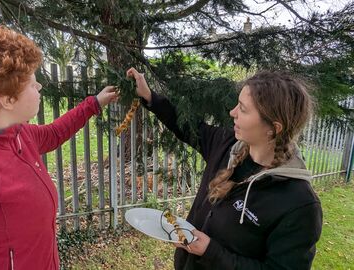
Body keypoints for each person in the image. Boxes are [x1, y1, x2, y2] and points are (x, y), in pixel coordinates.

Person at [0, 26, 118, 269]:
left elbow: (53, 134)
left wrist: (94, 104)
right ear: (7, 99)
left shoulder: (14, 132)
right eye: (32, 84)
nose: (39, 89)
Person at [127, 67, 322, 269]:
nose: (232, 113)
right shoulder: (228, 145)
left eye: (243, 109)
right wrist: (149, 96)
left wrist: (211, 252)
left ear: (273, 128)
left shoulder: (299, 204)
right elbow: (188, 127)